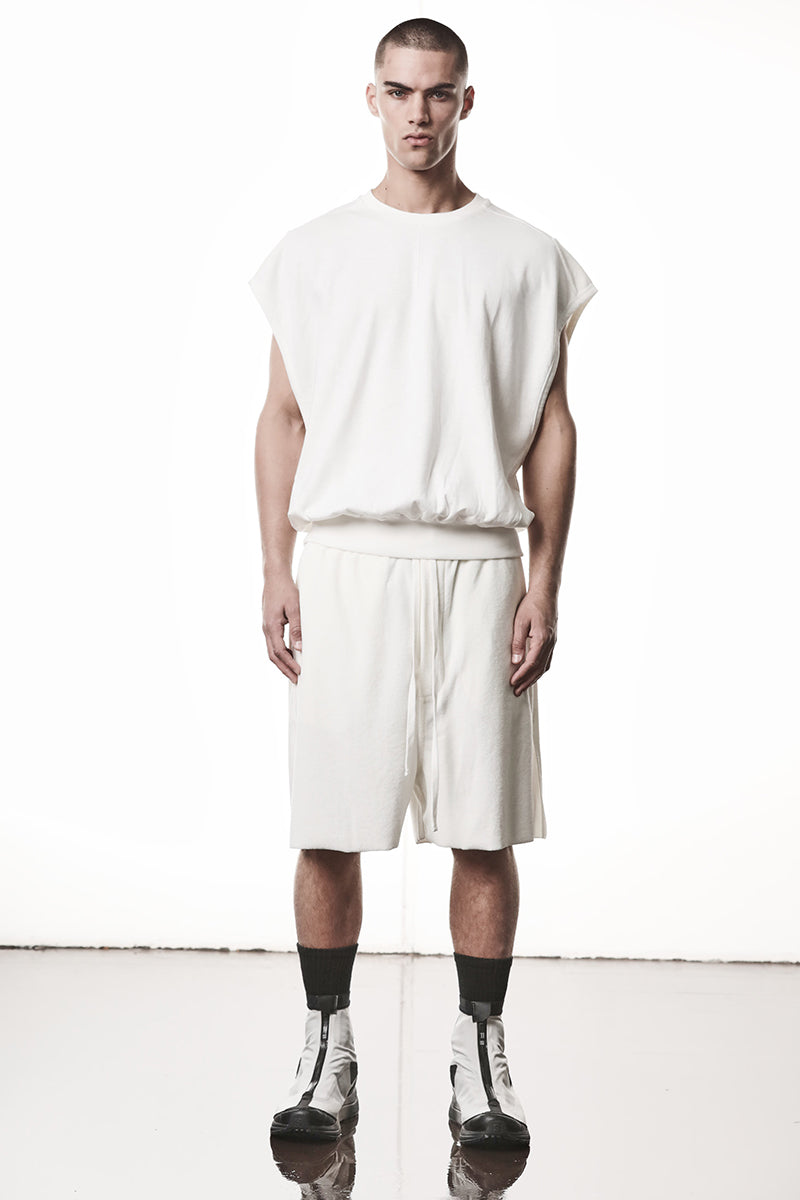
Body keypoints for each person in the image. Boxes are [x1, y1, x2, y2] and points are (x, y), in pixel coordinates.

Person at [249, 17, 597, 1151]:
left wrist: (545, 578)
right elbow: (283, 416)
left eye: (437, 93)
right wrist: (276, 566)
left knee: (482, 826)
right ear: (371, 98)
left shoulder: (526, 256)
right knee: (328, 823)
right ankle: (326, 1045)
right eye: (398, 91)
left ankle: (478, 1057)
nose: (417, 112)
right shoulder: (313, 253)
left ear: (466, 102)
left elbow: (551, 424)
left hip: (475, 560)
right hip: (348, 560)